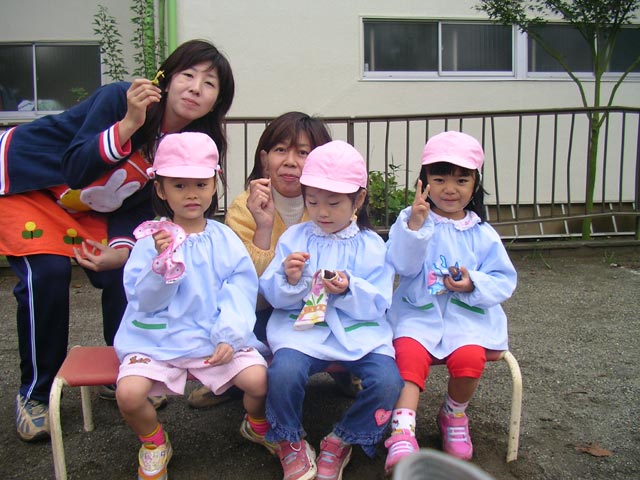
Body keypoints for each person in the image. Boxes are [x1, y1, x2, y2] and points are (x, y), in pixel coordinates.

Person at [0, 39, 235, 442]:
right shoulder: (119, 100)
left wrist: (122, 250)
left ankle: (126, 369)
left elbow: (140, 203)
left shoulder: (187, 146)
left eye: (210, 83)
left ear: (217, 102)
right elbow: (75, 168)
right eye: (188, 74)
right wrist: (128, 123)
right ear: (166, 79)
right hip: (31, 183)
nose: (196, 88)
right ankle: (36, 393)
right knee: (48, 273)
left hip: (87, 208)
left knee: (123, 271)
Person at [114, 132, 270, 480]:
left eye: (200, 184)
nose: (191, 194)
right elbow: (142, 301)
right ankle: (154, 442)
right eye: (179, 185)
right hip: (157, 340)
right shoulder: (150, 240)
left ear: (214, 185)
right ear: (160, 189)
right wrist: (162, 265)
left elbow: (241, 288)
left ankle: (256, 424)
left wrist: (230, 334)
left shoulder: (223, 237)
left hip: (212, 337)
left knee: (259, 380)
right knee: (129, 394)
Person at [188, 111, 360, 408]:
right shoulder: (244, 207)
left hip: (324, 304)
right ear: (265, 159)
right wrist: (264, 227)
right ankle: (229, 382)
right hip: (263, 307)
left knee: (351, 320)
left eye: (303, 152)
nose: (290, 161)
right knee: (242, 330)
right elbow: (247, 287)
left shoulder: (335, 204)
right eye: (281, 150)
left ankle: (345, 370)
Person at [260, 140, 404, 480]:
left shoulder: (372, 245)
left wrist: (350, 287)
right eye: (312, 201)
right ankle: (289, 439)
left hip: (359, 333)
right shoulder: (294, 238)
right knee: (283, 372)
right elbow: (272, 294)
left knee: (388, 381)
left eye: (334, 203)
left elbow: (379, 301)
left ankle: (343, 438)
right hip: (301, 331)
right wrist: (288, 278)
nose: (322, 212)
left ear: (359, 199)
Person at [383, 131, 517, 472]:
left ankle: (454, 414)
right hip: (417, 312)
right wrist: (415, 227)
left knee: (470, 359)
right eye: (440, 179)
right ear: (424, 181)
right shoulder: (411, 219)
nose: (450, 189)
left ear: (475, 184)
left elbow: (504, 279)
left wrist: (473, 282)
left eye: (461, 180)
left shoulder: (482, 233)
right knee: (408, 355)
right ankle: (402, 430)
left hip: (466, 319)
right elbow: (401, 265)